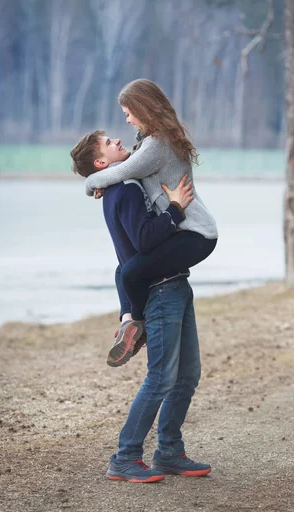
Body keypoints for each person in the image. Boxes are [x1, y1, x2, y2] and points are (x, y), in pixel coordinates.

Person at [70, 131, 211, 482]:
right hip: (160, 290)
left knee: (187, 375)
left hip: (176, 285)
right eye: (108, 143)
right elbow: (145, 240)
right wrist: (176, 208)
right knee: (162, 377)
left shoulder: (121, 184)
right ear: (101, 163)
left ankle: (169, 452)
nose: (118, 139)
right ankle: (125, 456)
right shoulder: (126, 189)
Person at [81, 78, 218, 365]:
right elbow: (123, 170)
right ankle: (129, 322)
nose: (127, 120)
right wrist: (108, 180)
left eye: (128, 113)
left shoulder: (156, 145)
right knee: (123, 272)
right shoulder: (151, 142)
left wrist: (92, 182)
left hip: (195, 234)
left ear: (142, 109)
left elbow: (120, 171)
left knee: (131, 273)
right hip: (181, 230)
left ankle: (136, 326)